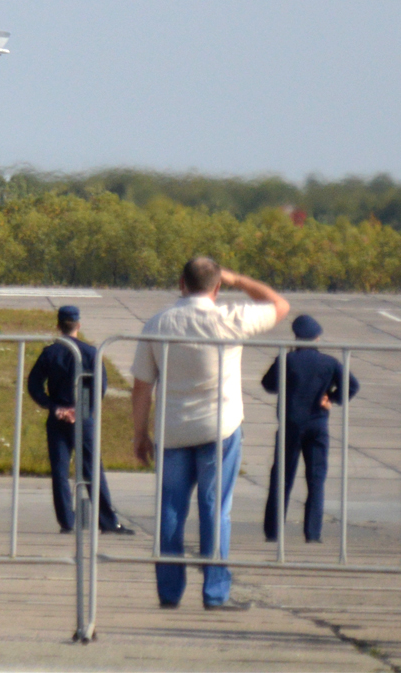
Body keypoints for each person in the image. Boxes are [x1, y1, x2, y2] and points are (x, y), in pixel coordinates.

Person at [130, 257, 288, 611]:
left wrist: (140, 433)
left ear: (180, 283)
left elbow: (141, 387)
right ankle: (215, 593)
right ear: (217, 288)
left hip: (172, 430)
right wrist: (238, 278)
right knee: (215, 509)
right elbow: (280, 305)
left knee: (170, 511)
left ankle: (169, 592)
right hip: (220, 426)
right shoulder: (229, 317)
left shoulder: (158, 322)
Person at [26, 305, 132, 536]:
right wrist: (81, 410)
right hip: (84, 419)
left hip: (57, 418)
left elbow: (33, 385)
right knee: (92, 470)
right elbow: (99, 387)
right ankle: (108, 522)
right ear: (78, 325)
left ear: (58, 325)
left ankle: (67, 522)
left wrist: (54, 407)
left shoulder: (50, 353)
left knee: (60, 471)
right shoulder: (91, 353)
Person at [260, 314, 358, 545]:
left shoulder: (287, 360)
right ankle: (313, 534)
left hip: (291, 425)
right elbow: (352, 386)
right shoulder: (329, 363)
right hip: (317, 425)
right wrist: (332, 398)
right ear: (317, 337)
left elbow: (268, 384)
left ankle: (274, 532)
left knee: (282, 479)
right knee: (316, 480)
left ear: (296, 336)